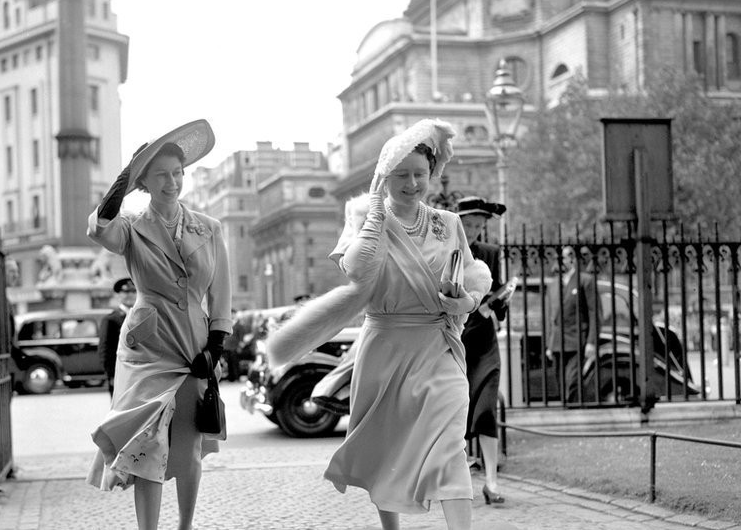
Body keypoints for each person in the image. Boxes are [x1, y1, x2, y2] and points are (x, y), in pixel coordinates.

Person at [267, 118, 492, 530]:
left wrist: (465, 299)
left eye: (419, 175)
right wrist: (373, 211)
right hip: (385, 347)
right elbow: (356, 269)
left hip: (438, 345)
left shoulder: (449, 223)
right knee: (385, 446)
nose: (411, 184)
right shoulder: (364, 217)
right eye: (400, 175)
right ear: (384, 178)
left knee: (449, 445)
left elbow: (473, 277)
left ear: (433, 174)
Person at [85, 119, 232, 530]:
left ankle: (185, 526)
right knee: (145, 446)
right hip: (146, 347)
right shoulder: (131, 227)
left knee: (188, 448)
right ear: (145, 183)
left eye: (178, 173)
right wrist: (124, 177)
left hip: (193, 346)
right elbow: (98, 228)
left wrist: (215, 348)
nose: (172, 182)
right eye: (162, 175)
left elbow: (222, 297)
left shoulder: (210, 227)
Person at [456, 195, 512, 505]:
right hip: (456, 343)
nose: (475, 230)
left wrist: (500, 302)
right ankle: (455, 479)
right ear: (458, 223)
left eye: (479, 225)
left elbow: (498, 293)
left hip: (486, 343)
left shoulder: (492, 253)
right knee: (456, 413)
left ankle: (491, 481)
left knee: (488, 408)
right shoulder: (446, 253)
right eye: (468, 224)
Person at [549, 245, 601, 404]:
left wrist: (591, 342)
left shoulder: (585, 280)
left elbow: (595, 312)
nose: (561, 262)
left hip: (577, 341)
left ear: (572, 259)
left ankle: (575, 412)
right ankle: (568, 412)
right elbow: (550, 315)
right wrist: (548, 344)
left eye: (564, 258)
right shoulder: (553, 284)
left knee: (573, 381)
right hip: (557, 342)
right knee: (561, 383)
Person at [100, 278, 136, 397]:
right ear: (118, 295)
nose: (130, 295)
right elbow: (105, 350)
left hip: (140, 372)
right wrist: (111, 374)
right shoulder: (111, 319)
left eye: (133, 291)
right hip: (120, 372)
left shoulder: (144, 316)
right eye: (126, 292)